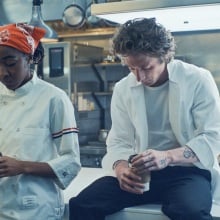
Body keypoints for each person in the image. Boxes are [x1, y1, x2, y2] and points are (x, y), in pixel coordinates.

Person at [69, 18, 220, 220]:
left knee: (189, 211)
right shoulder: (123, 88)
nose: (139, 77)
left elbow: (212, 138)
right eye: (132, 68)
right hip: (141, 173)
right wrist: (121, 168)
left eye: (146, 67)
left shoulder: (198, 79)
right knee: (82, 205)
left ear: (164, 56)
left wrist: (166, 157)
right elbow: (119, 141)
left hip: (187, 172)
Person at [0, 23, 81, 219]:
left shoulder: (54, 98)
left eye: (10, 63)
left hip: (38, 208)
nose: (3, 72)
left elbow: (71, 162)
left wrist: (22, 166)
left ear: (29, 58)